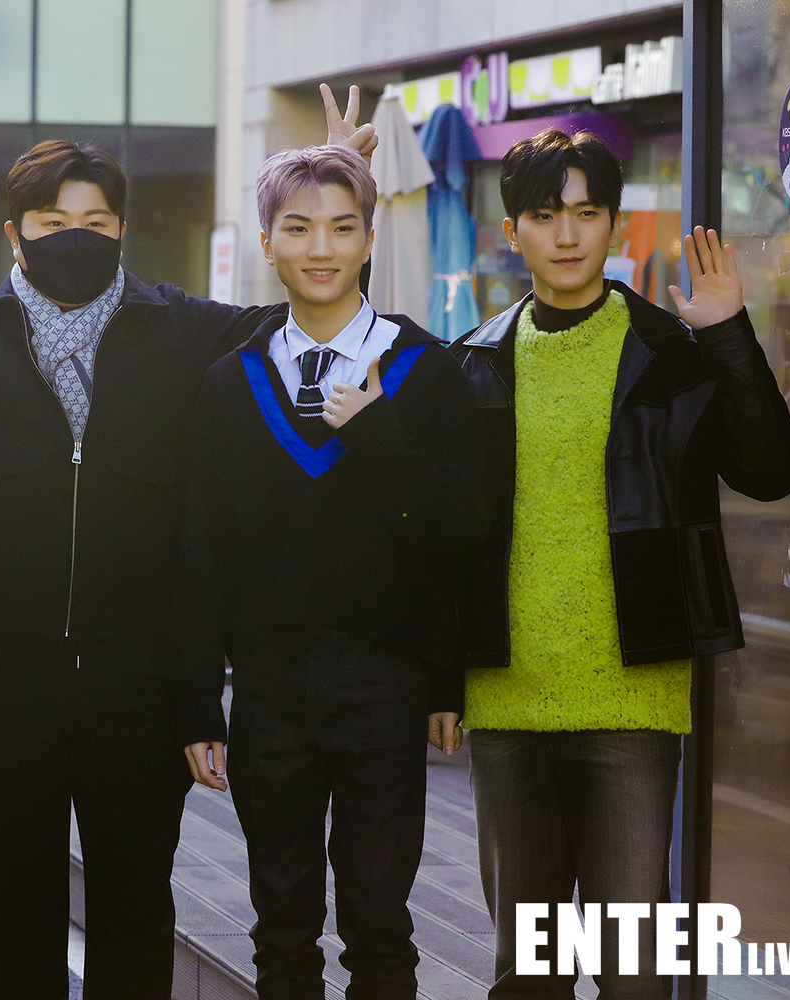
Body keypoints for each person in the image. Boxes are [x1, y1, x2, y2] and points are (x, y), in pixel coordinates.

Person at [0, 40, 377, 1000]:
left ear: (124, 230)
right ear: (14, 234)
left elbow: (319, 316)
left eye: (95, 221)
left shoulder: (183, 330)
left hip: (142, 686)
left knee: (135, 918)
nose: (74, 236)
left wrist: (336, 185)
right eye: (52, 222)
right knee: (16, 927)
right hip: (0, 687)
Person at [447, 129, 790, 1000]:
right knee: (530, 973)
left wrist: (729, 336)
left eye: (586, 213)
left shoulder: (671, 351)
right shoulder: (474, 361)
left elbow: (769, 471)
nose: (567, 234)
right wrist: (438, 680)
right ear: (512, 232)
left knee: (633, 972)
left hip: (632, 701)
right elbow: (442, 534)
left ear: (614, 224)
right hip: (508, 700)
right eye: (544, 215)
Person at [176, 145, 481, 1000]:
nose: (321, 248)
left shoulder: (426, 369)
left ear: (369, 240)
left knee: (380, 925)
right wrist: (198, 700)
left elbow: (460, 535)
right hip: (267, 686)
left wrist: (445, 681)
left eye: (343, 228)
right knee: (280, 926)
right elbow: (200, 549)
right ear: (267, 243)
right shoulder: (230, 383)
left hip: (385, 681)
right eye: (299, 228)